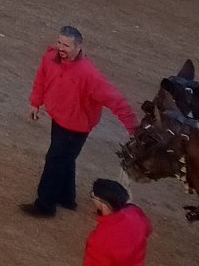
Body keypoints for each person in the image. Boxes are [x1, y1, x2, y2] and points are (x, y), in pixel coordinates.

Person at [23, 25, 136, 217]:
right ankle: (66, 198)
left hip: (76, 127)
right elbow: (41, 79)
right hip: (60, 120)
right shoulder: (50, 58)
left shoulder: (90, 75)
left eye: (66, 45)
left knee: (55, 161)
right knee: (65, 160)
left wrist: (134, 129)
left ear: (78, 47)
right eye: (59, 42)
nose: (61, 48)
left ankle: (45, 206)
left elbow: (116, 101)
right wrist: (35, 102)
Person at [83, 178, 151, 266]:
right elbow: (148, 229)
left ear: (104, 206)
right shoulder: (135, 212)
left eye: (93, 196)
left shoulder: (100, 240)